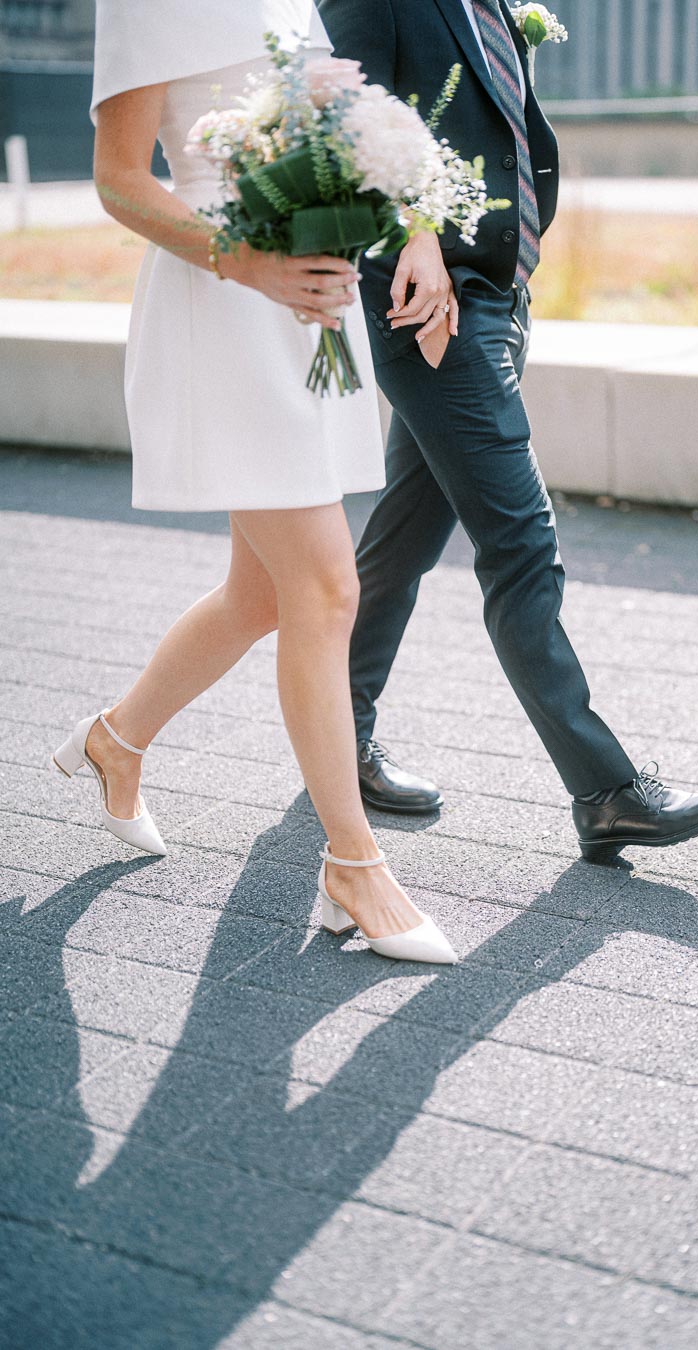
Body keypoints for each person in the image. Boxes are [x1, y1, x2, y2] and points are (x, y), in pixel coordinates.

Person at [50, 0, 457, 964]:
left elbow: (339, 128)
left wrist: (407, 223)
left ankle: (116, 739)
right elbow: (118, 180)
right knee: (326, 587)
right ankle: (353, 866)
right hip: (227, 302)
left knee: (263, 595)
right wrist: (254, 265)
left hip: (307, 303)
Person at [319, 0, 698, 862]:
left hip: (498, 295)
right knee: (521, 545)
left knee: (403, 539)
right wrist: (416, 232)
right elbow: (342, 115)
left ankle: (334, 737)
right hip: (433, 303)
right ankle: (607, 791)